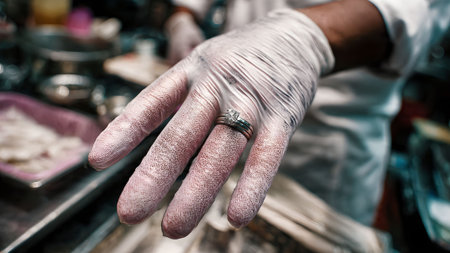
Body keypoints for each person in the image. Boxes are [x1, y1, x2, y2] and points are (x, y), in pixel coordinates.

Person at [88, 0, 450, 239]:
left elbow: (414, 12)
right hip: (225, 107)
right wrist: (182, 17)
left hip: (324, 160)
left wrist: (307, 38)